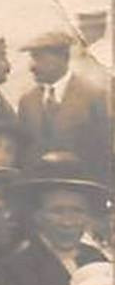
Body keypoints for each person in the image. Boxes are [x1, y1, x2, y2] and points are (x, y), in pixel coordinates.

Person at [0, 154, 110, 285]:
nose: (68, 222)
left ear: (88, 216)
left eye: (77, 211)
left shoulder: (95, 258)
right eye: (57, 211)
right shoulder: (14, 269)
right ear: (37, 216)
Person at [18, 30, 112, 185]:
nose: (32, 66)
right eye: (32, 58)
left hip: (83, 187)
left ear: (63, 58)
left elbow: (105, 150)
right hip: (40, 189)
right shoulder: (28, 101)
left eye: (39, 58)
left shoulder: (94, 95)